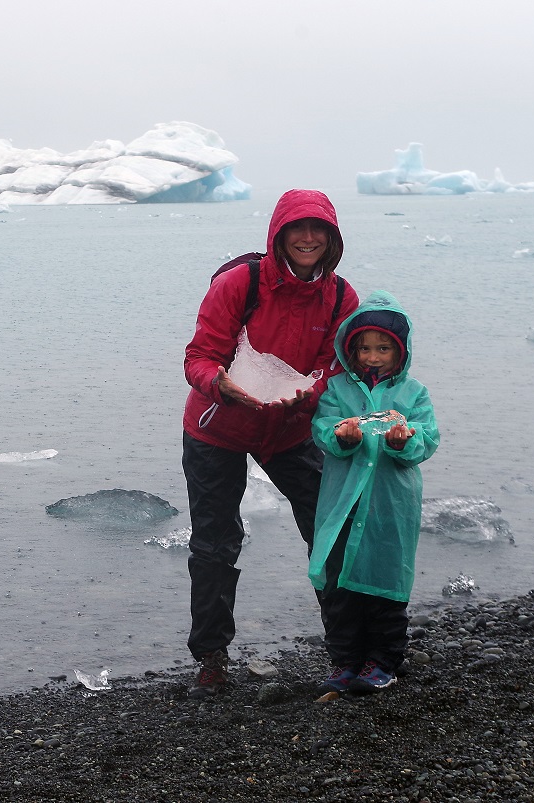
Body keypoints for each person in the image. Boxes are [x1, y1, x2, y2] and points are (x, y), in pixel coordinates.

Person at [181, 188, 359, 699]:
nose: (308, 238)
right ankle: (212, 658)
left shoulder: (341, 297)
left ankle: (347, 651)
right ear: (278, 234)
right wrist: (221, 385)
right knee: (215, 542)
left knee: (330, 530)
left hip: (290, 428)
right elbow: (199, 356)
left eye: (319, 229)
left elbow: (334, 367)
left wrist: (308, 396)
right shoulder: (241, 283)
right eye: (297, 228)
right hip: (218, 426)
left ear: (332, 238)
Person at [308, 290, 439, 696]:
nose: (373, 357)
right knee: (339, 586)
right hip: (343, 503)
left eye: (384, 348)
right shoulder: (337, 389)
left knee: (384, 583)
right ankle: (346, 661)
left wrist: (403, 442)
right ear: (351, 349)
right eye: (364, 348)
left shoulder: (414, 393)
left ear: (400, 351)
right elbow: (322, 429)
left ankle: (382, 662)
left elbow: (428, 438)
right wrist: (342, 437)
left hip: (390, 505)